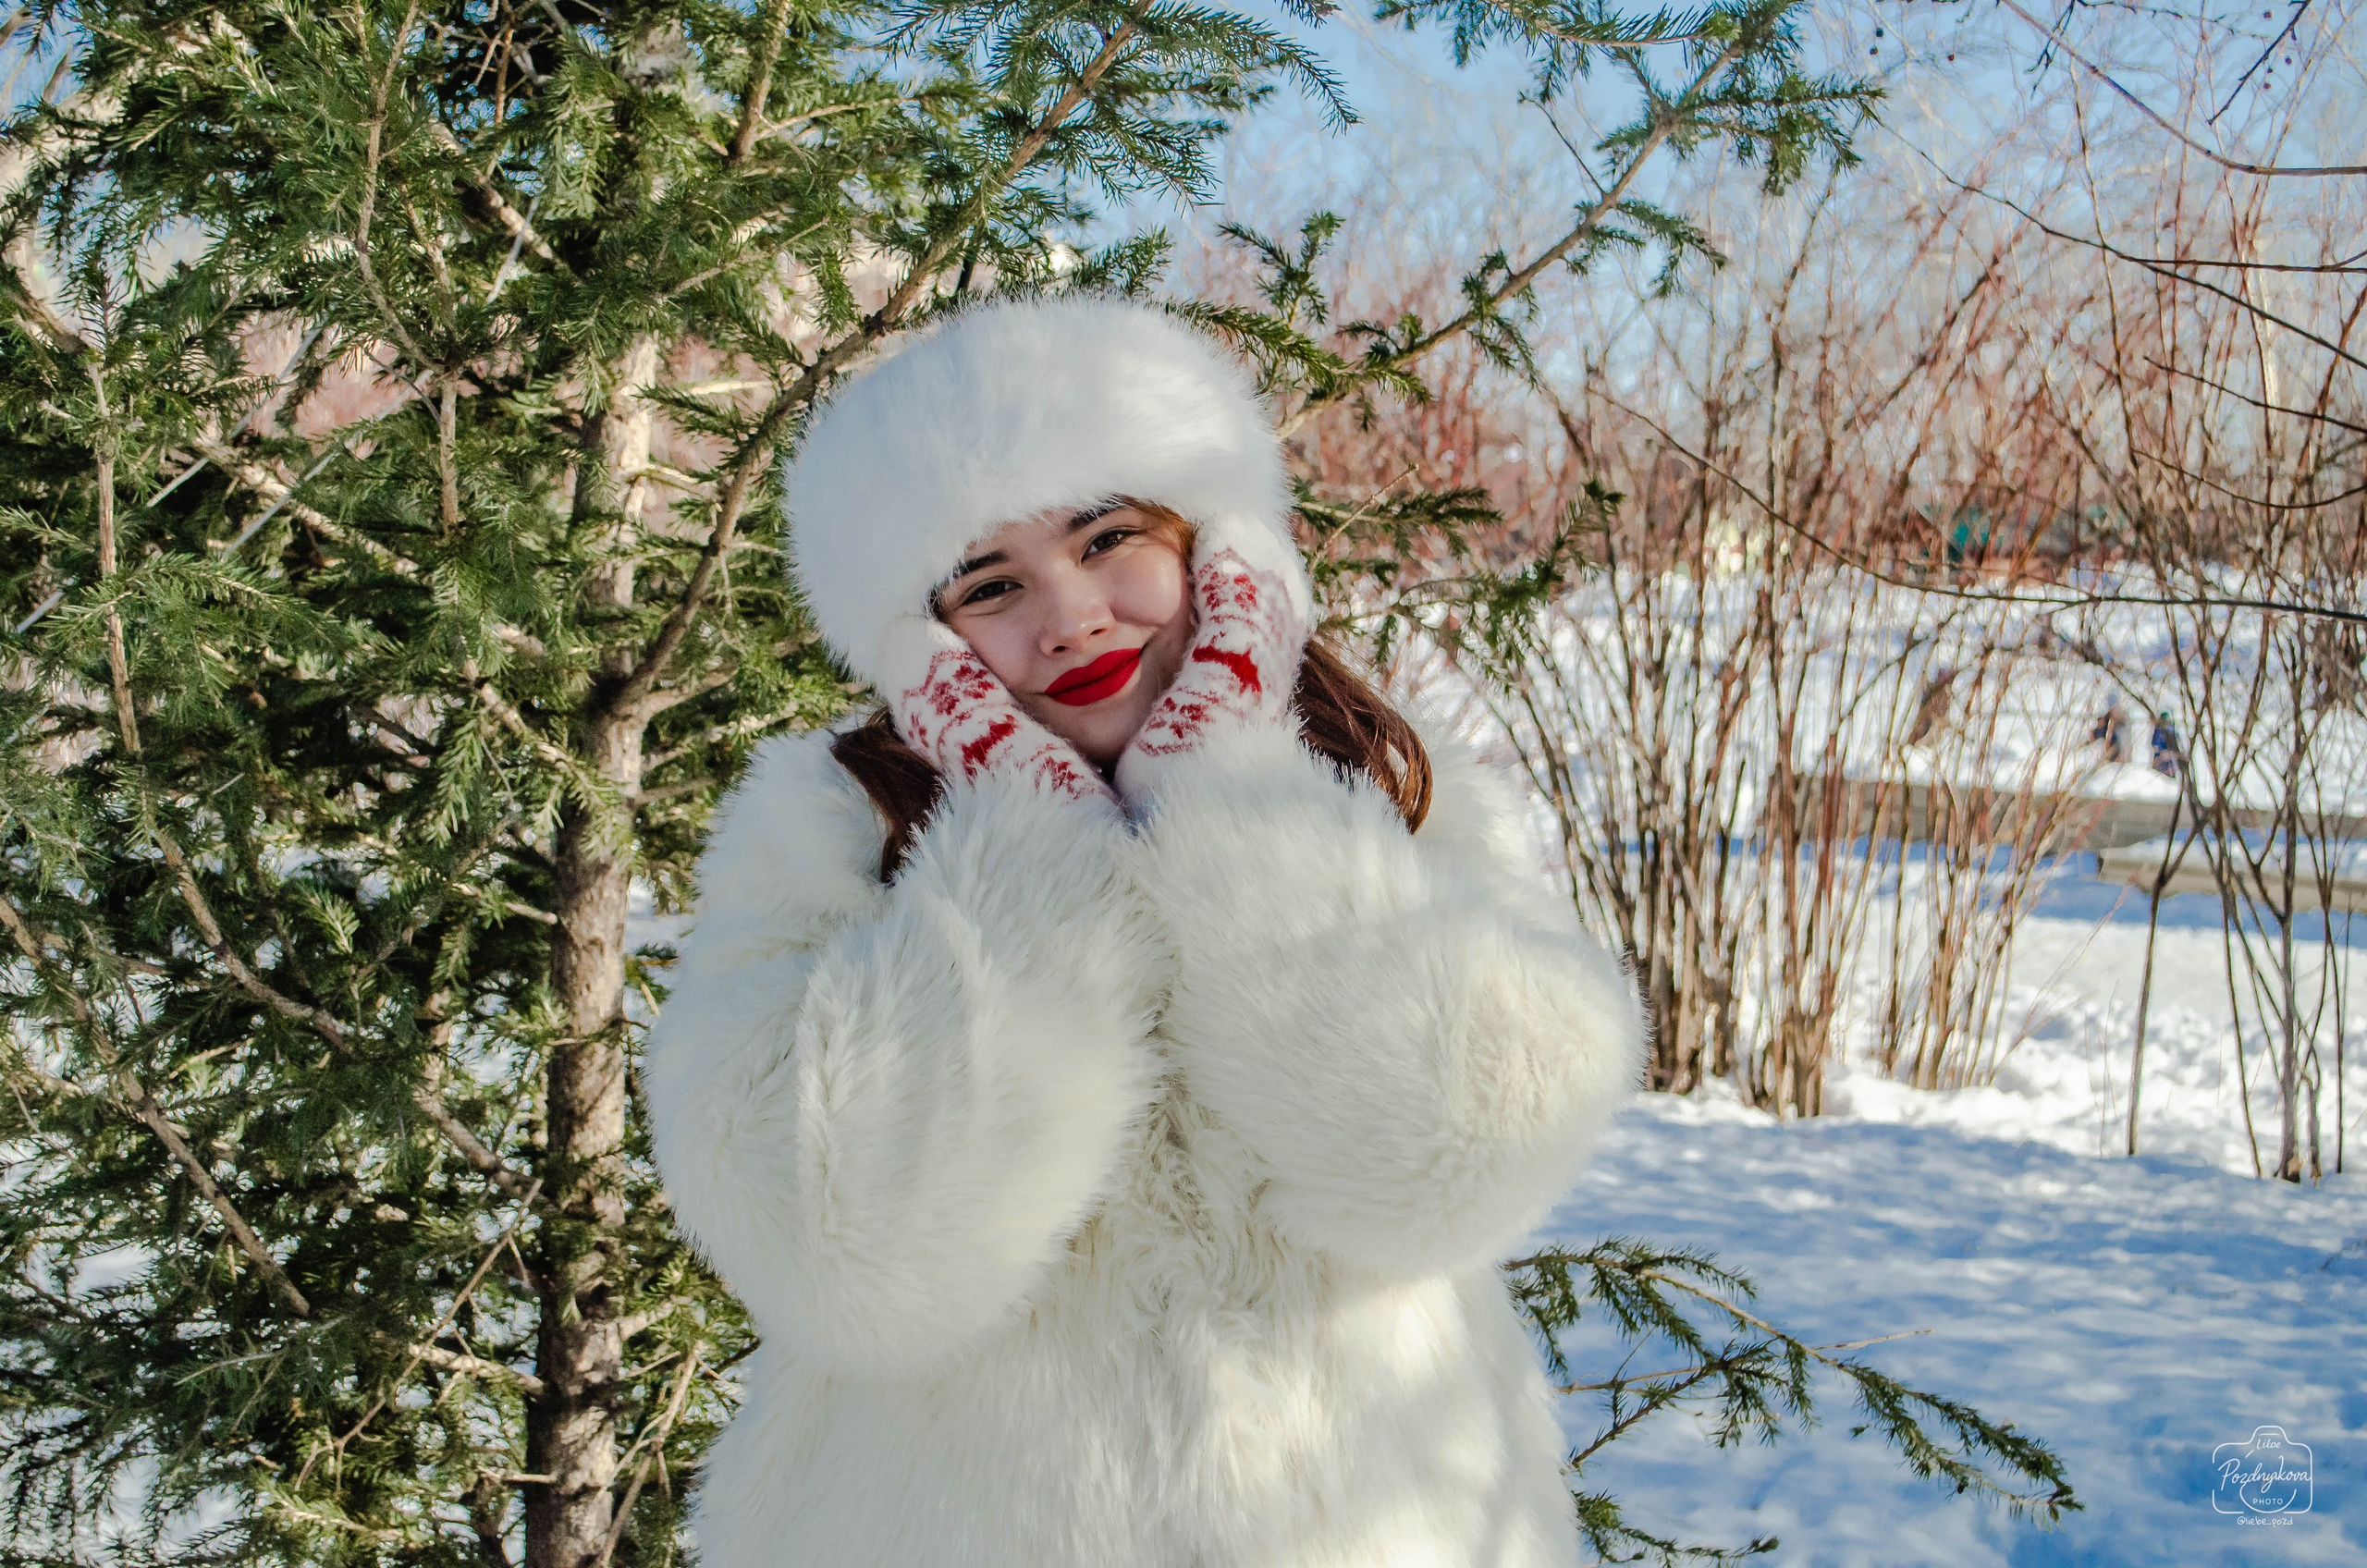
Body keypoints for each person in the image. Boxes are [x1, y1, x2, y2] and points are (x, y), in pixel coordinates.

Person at [644, 296, 1646, 1568]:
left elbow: (1456, 1159)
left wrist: (1228, 791)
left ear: (1215, 547)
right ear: (921, 645)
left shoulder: (1382, 785)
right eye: (992, 583)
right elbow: (840, 1253)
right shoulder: (825, 835)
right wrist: (1025, 850)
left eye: (1109, 536)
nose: (1069, 618)